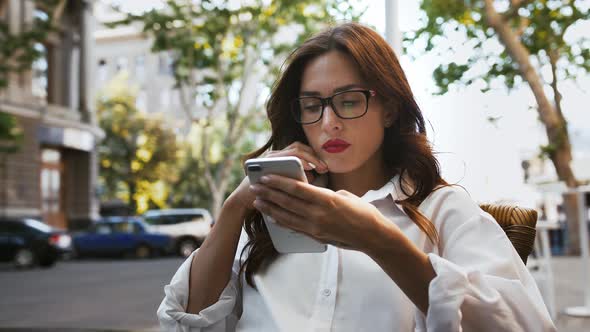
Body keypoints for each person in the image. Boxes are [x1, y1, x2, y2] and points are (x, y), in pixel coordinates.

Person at [157, 22, 556, 331]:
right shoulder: (272, 211)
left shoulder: (443, 210)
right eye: (312, 105)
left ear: (389, 109)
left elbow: (523, 325)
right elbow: (187, 320)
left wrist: (377, 239)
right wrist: (233, 209)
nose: (329, 122)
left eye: (349, 101)